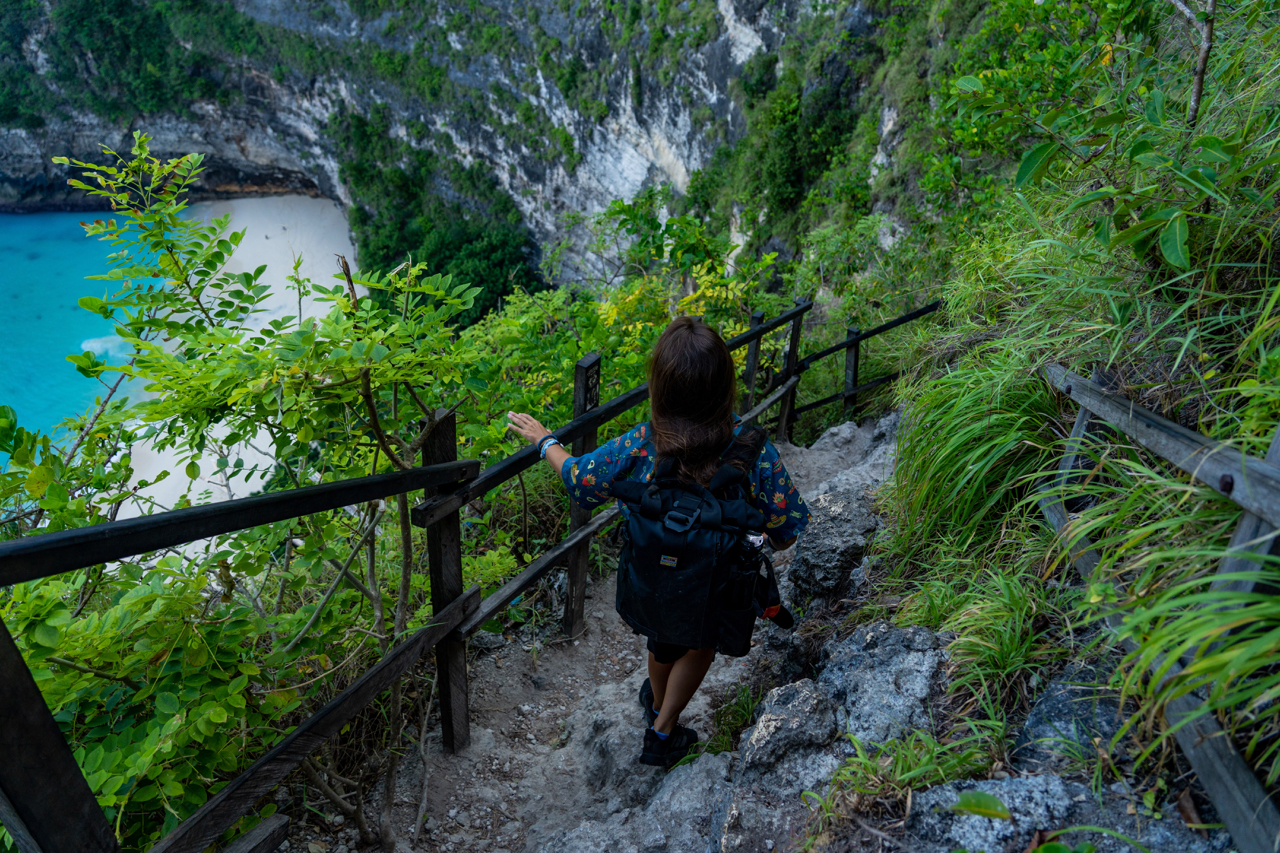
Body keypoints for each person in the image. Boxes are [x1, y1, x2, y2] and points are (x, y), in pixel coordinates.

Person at [507, 316, 809, 765]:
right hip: (714, 586)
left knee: (663, 641)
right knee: (699, 644)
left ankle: (658, 710)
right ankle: (664, 729)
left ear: (660, 390)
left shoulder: (644, 444)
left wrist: (544, 440)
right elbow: (788, 528)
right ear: (724, 386)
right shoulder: (751, 449)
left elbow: (581, 479)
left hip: (655, 577)